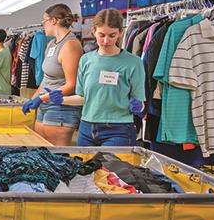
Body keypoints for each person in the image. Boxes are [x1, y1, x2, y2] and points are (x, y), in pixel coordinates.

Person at [45, 9, 146, 146]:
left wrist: (138, 106)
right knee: (85, 167)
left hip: (118, 129)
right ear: (94, 31)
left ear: (121, 33)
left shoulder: (133, 63)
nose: (106, 40)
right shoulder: (86, 60)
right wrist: (61, 99)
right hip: (86, 128)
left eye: (112, 35)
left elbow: (139, 101)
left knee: (112, 168)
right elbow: (83, 98)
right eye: (101, 35)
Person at [22, 4, 83, 146]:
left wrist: (42, 98)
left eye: (44, 20)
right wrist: (33, 98)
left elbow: (72, 84)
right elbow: (46, 78)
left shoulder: (70, 45)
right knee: (42, 152)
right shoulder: (51, 44)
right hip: (45, 104)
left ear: (54, 20)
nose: (43, 24)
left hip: (61, 107)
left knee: (57, 157)